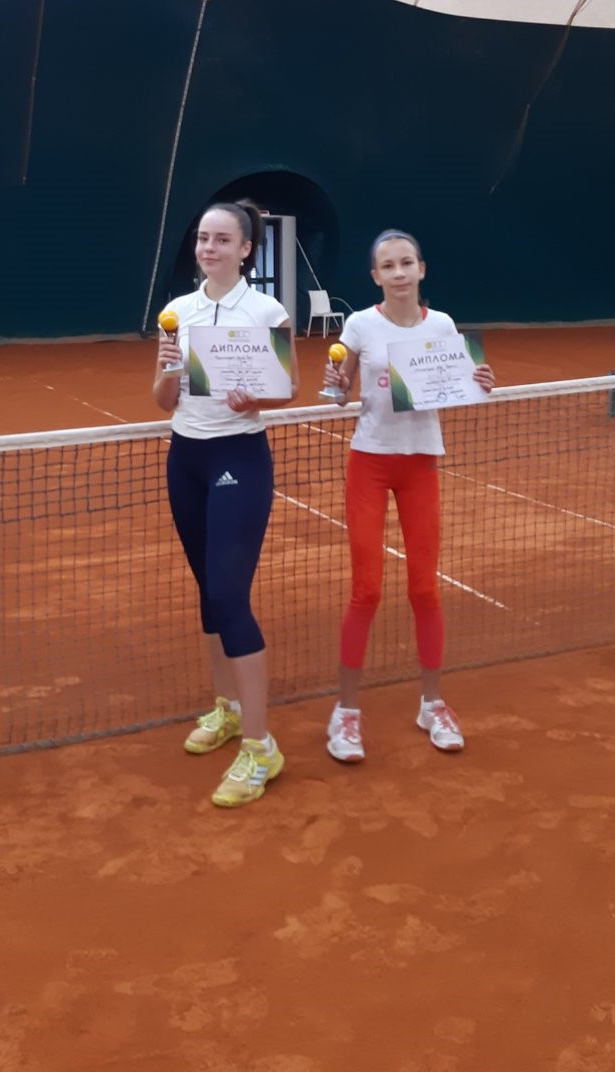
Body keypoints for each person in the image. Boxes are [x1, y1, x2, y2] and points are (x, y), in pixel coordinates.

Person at [321, 229, 494, 764]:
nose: (398, 273)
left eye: (406, 263)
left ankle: (432, 705)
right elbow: (339, 391)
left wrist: (480, 380)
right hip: (370, 463)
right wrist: (336, 384)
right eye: (388, 266)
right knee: (366, 590)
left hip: (421, 463)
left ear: (421, 269)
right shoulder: (359, 325)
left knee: (424, 588)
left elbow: (459, 384)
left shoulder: (442, 325)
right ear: (375, 276)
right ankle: (345, 713)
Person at [154, 199, 299, 808]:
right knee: (208, 593)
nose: (208, 248)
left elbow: (287, 387)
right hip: (184, 458)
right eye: (202, 238)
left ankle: (261, 746)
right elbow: (163, 401)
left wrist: (254, 400)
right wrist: (167, 368)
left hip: (238, 456)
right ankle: (230, 709)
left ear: (245, 250)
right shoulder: (178, 312)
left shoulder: (266, 310)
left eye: (221, 240)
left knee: (230, 595)